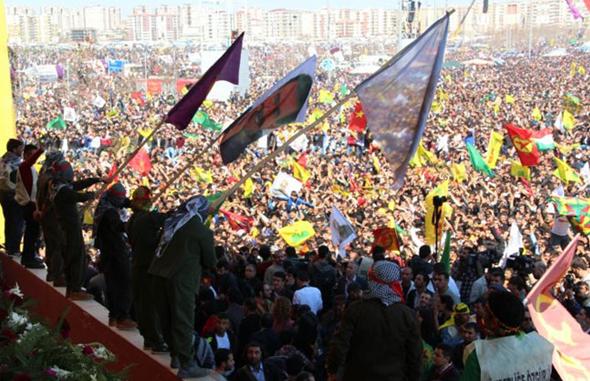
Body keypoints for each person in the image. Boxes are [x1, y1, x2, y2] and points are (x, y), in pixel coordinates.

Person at [148, 195, 217, 379]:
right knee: (182, 320)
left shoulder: (172, 222)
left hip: (157, 275)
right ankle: (187, 364)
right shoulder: (202, 232)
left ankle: (175, 356)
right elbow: (210, 261)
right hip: (181, 281)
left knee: (166, 318)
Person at [326, 260, 422, 381]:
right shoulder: (408, 315)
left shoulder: (356, 309)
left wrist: (332, 370)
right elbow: (415, 356)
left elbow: (340, 346)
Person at [461, 291, 554, 380]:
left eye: (486, 310)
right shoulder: (542, 344)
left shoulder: (478, 354)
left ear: (493, 322)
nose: (483, 314)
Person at [51, 160, 105, 300]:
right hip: (70, 229)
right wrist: (92, 195)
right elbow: (78, 196)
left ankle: (72, 288)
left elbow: (78, 185)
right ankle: (74, 289)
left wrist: (97, 180)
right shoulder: (63, 191)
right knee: (76, 258)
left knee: (74, 257)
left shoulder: (58, 186)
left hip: (66, 227)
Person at [126, 186, 168, 351]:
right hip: (147, 268)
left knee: (143, 305)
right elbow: (169, 217)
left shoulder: (131, 221)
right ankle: (156, 340)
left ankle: (149, 338)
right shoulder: (148, 219)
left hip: (137, 266)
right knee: (151, 307)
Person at [93, 182, 135, 330]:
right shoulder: (109, 213)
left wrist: (133, 203)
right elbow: (119, 226)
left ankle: (114, 316)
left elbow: (124, 202)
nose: (122, 201)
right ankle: (122, 317)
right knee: (124, 283)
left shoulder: (106, 202)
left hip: (107, 252)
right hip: (114, 252)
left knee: (112, 284)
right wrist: (134, 223)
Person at [36, 151, 65, 284]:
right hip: (52, 215)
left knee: (51, 244)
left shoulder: (43, 173)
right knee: (57, 246)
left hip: (45, 215)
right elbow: (52, 198)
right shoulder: (52, 179)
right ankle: (56, 274)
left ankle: (51, 273)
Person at [14, 144, 45, 268]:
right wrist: (40, 150)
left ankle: (30, 256)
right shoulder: (24, 166)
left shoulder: (30, 168)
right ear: (26, 155)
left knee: (33, 232)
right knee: (31, 232)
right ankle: (28, 258)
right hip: (28, 204)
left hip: (33, 203)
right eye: (32, 154)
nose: (34, 157)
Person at [0, 139, 24, 257]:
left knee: (9, 220)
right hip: (14, 195)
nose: (22, 151)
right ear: (14, 149)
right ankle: (14, 249)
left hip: (3, 194)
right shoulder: (17, 162)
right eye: (21, 148)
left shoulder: (2, 159)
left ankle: (9, 245)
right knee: (17, 222)